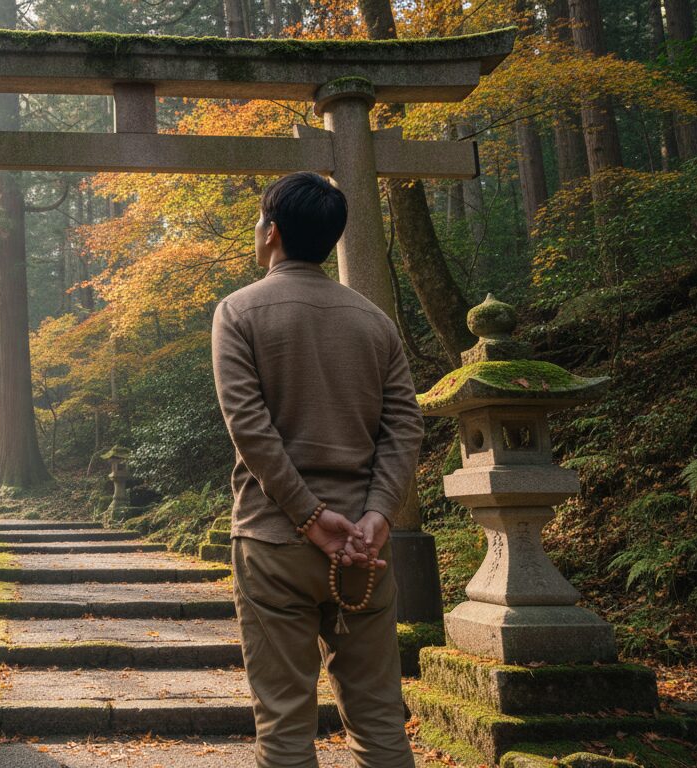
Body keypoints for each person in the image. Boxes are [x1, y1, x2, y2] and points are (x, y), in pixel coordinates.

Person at [211, 171, 425, 768]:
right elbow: (405, 425)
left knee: (284, 725)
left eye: (260, 219)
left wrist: (308, 516)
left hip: (274, 540)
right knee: (380, 720)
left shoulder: (238, 312)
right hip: (364, 549)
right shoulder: (375, 321)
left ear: (272, 232)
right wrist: (379, 514)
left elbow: (249, 427)